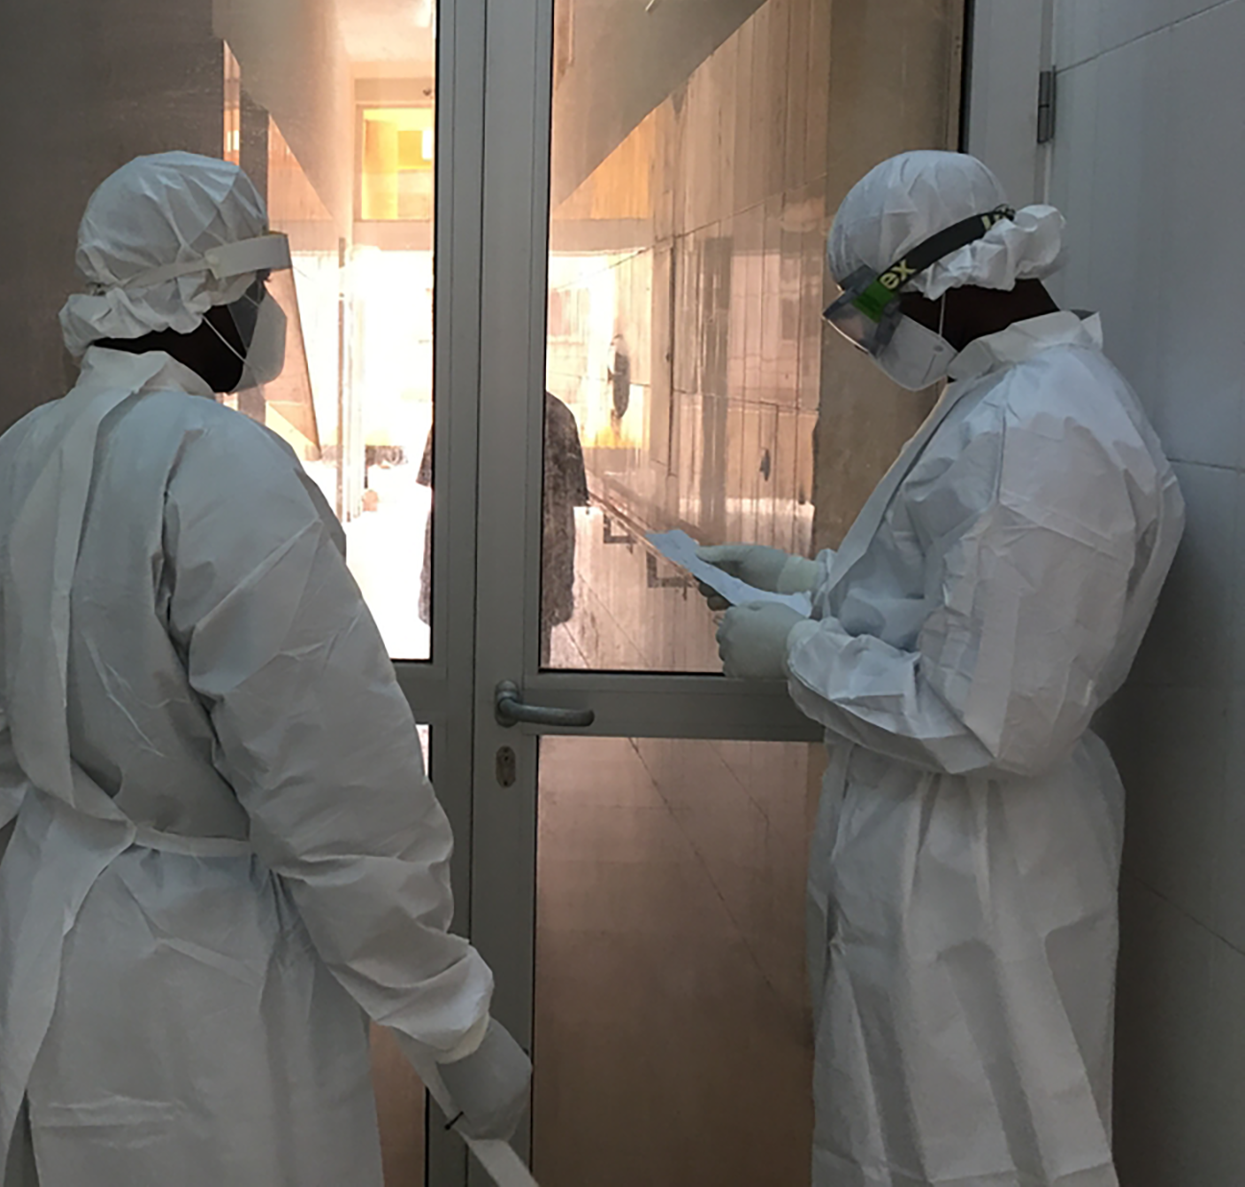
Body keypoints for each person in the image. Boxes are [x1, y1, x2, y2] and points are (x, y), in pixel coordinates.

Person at [0, 151, 528, 1187]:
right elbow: (335, 787)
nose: (262, 314)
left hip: (40, 942)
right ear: (193, 293)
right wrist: (447, 1013)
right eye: (250, 289)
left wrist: (59, 875)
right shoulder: (221, 470)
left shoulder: (5, 468)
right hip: (211, 979)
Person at [702, 151, 1183, 1187]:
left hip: (980, 872)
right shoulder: (1002, 402)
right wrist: (803, 586)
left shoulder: (1045, 429)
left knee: (974, 1145)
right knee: (902, 1132)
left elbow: (988, 715)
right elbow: (946, 610)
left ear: (944, 275)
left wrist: (800, 651)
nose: (875, 338)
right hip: (941, 848)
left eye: (874, 310)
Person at [418, 391, 589, 664]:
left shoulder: (459, 413)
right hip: (537, 565)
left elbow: (436, 485)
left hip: (470, 558)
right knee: (530, 660)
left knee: (460, 656)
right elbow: (571, 497)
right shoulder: (556, 415)